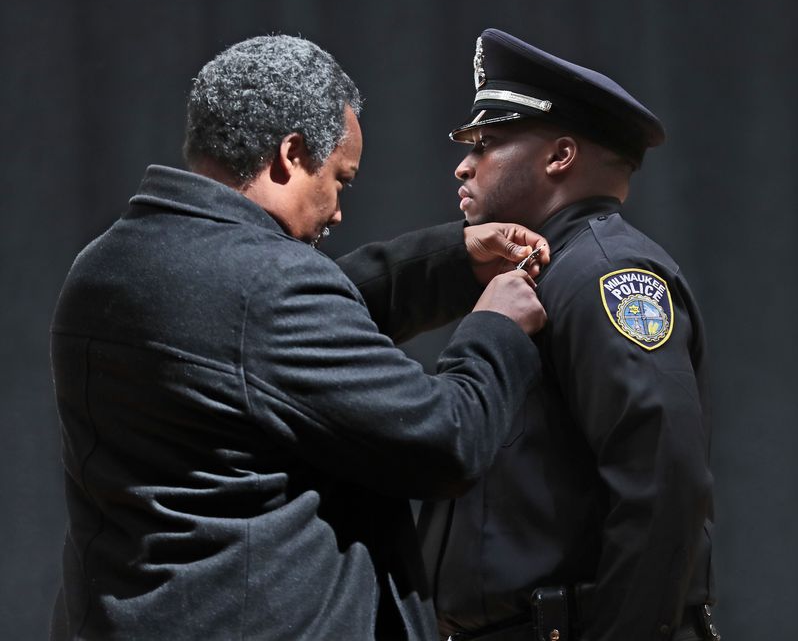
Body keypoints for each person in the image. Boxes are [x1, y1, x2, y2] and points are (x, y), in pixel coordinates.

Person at [49, 34, 552, 640]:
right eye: (340, 178)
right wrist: (496, 327)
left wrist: (448, 260)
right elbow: (446, 440)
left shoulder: (107, 263)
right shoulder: (268, 288)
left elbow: (255, 344)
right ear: (289, 154)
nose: (339, 211)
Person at [418, 28, 719, 641]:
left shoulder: (607, 274)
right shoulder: (545, 270)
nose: (464, 163)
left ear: (559, 157)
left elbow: (662, 489)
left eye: (490, 142)